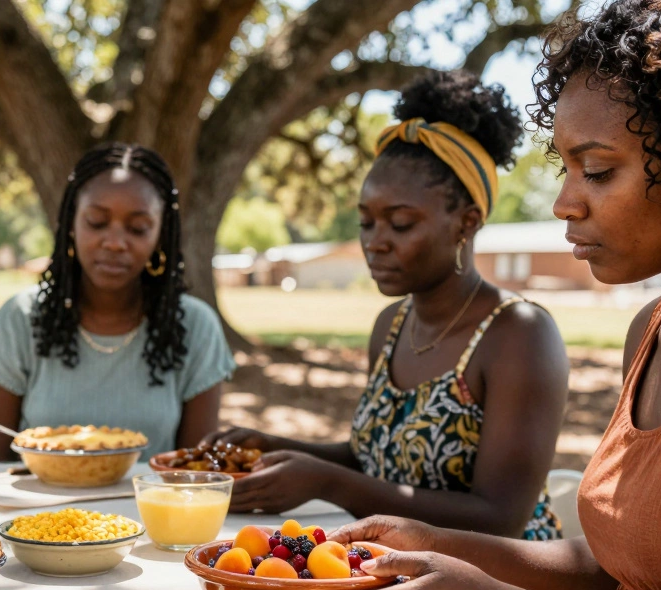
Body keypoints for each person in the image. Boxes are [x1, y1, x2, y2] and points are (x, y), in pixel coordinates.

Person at [286, 2, 661, 590]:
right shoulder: (653, 333)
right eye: (563, 168)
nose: (564, 203)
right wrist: (440, 544)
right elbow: (617, 570)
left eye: (596, 171)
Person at [208, 70, 570, 540]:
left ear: (466, 223)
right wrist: (278, 449)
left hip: (498, 586)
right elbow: (380, 458)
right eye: (365, 223)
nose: (374, 243)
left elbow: (500, 517)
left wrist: (326, 482)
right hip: (397, 568)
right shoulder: (392, 325)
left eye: (399, 224)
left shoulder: (518, 334)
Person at [0, 144, 235, 461]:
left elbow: (195, 477)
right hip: (38, 511)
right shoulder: (21, 319)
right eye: (96, 222)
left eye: (138, 228)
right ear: (71, 225)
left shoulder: (195, 327)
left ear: (160, 236)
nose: (114, 242)